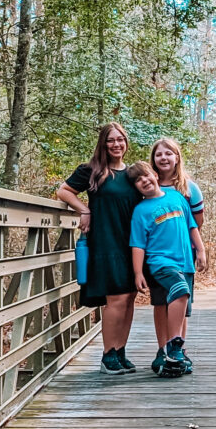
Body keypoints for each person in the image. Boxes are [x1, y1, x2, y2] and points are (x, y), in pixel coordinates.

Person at [56, 123, 141, 375]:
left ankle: (121, 350)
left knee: (129, 298)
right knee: (115, 299)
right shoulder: (91, 171)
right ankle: (108, 354)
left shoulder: (133, 174)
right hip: (105, 241)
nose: (116, 144)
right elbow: (63, 191)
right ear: (103, 144)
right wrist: (84, 209)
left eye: (120, 140)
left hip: (132, 243)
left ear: (126, 142)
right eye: (111, 140)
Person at [126, 161, 207, 378]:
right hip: (160, 262)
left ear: (154, 175)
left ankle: (172, 353)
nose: (144, 181)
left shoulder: (178, 198)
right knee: (177, 292)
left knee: (182, 306)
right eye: (138, 181)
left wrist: (201, 251)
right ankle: (171, 346)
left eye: (145, 176)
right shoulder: (141, 210)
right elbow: (138, 244)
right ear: (136, 188)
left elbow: (192, 226)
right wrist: (138, 272)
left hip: (185, 262)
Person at [150, 138, 204, 352]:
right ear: (153, 160)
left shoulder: (189, 188)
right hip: (156, 256)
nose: (163, 158)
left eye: (168, 153)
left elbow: (196, 223)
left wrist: (199, 249)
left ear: (177, 157)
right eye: (159, 154)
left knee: (181, 301)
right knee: (160, 302)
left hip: (183, 254)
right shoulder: (147, 186)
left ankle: (178, 350)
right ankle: (162, 350)